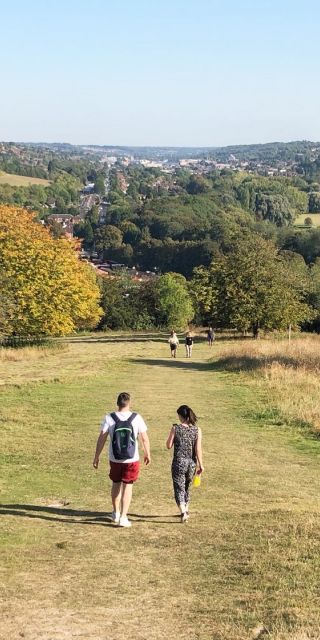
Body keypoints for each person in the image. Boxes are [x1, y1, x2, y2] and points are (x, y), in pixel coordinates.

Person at [93, 392, 151, 528]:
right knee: (128, 486)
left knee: (116, 483)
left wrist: (96, 456)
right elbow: (144, 438)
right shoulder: (136, 418)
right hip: (132, 459)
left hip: (115, 458)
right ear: (129, 403)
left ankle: (116, 512)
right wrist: (147, 453)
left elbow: (101, 438)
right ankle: (124, 517)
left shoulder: (109, 418)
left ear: (117, 403)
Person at [166, 405, 204, 523]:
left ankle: (183, 512)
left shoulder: (175, 428)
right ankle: (186, 509)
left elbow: (168, 445)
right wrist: (201, 464)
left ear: (181, 416)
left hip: (178, 462)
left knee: (179, 487)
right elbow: (198, 449)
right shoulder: (197, 430)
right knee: (187, 487)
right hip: (191, 463)